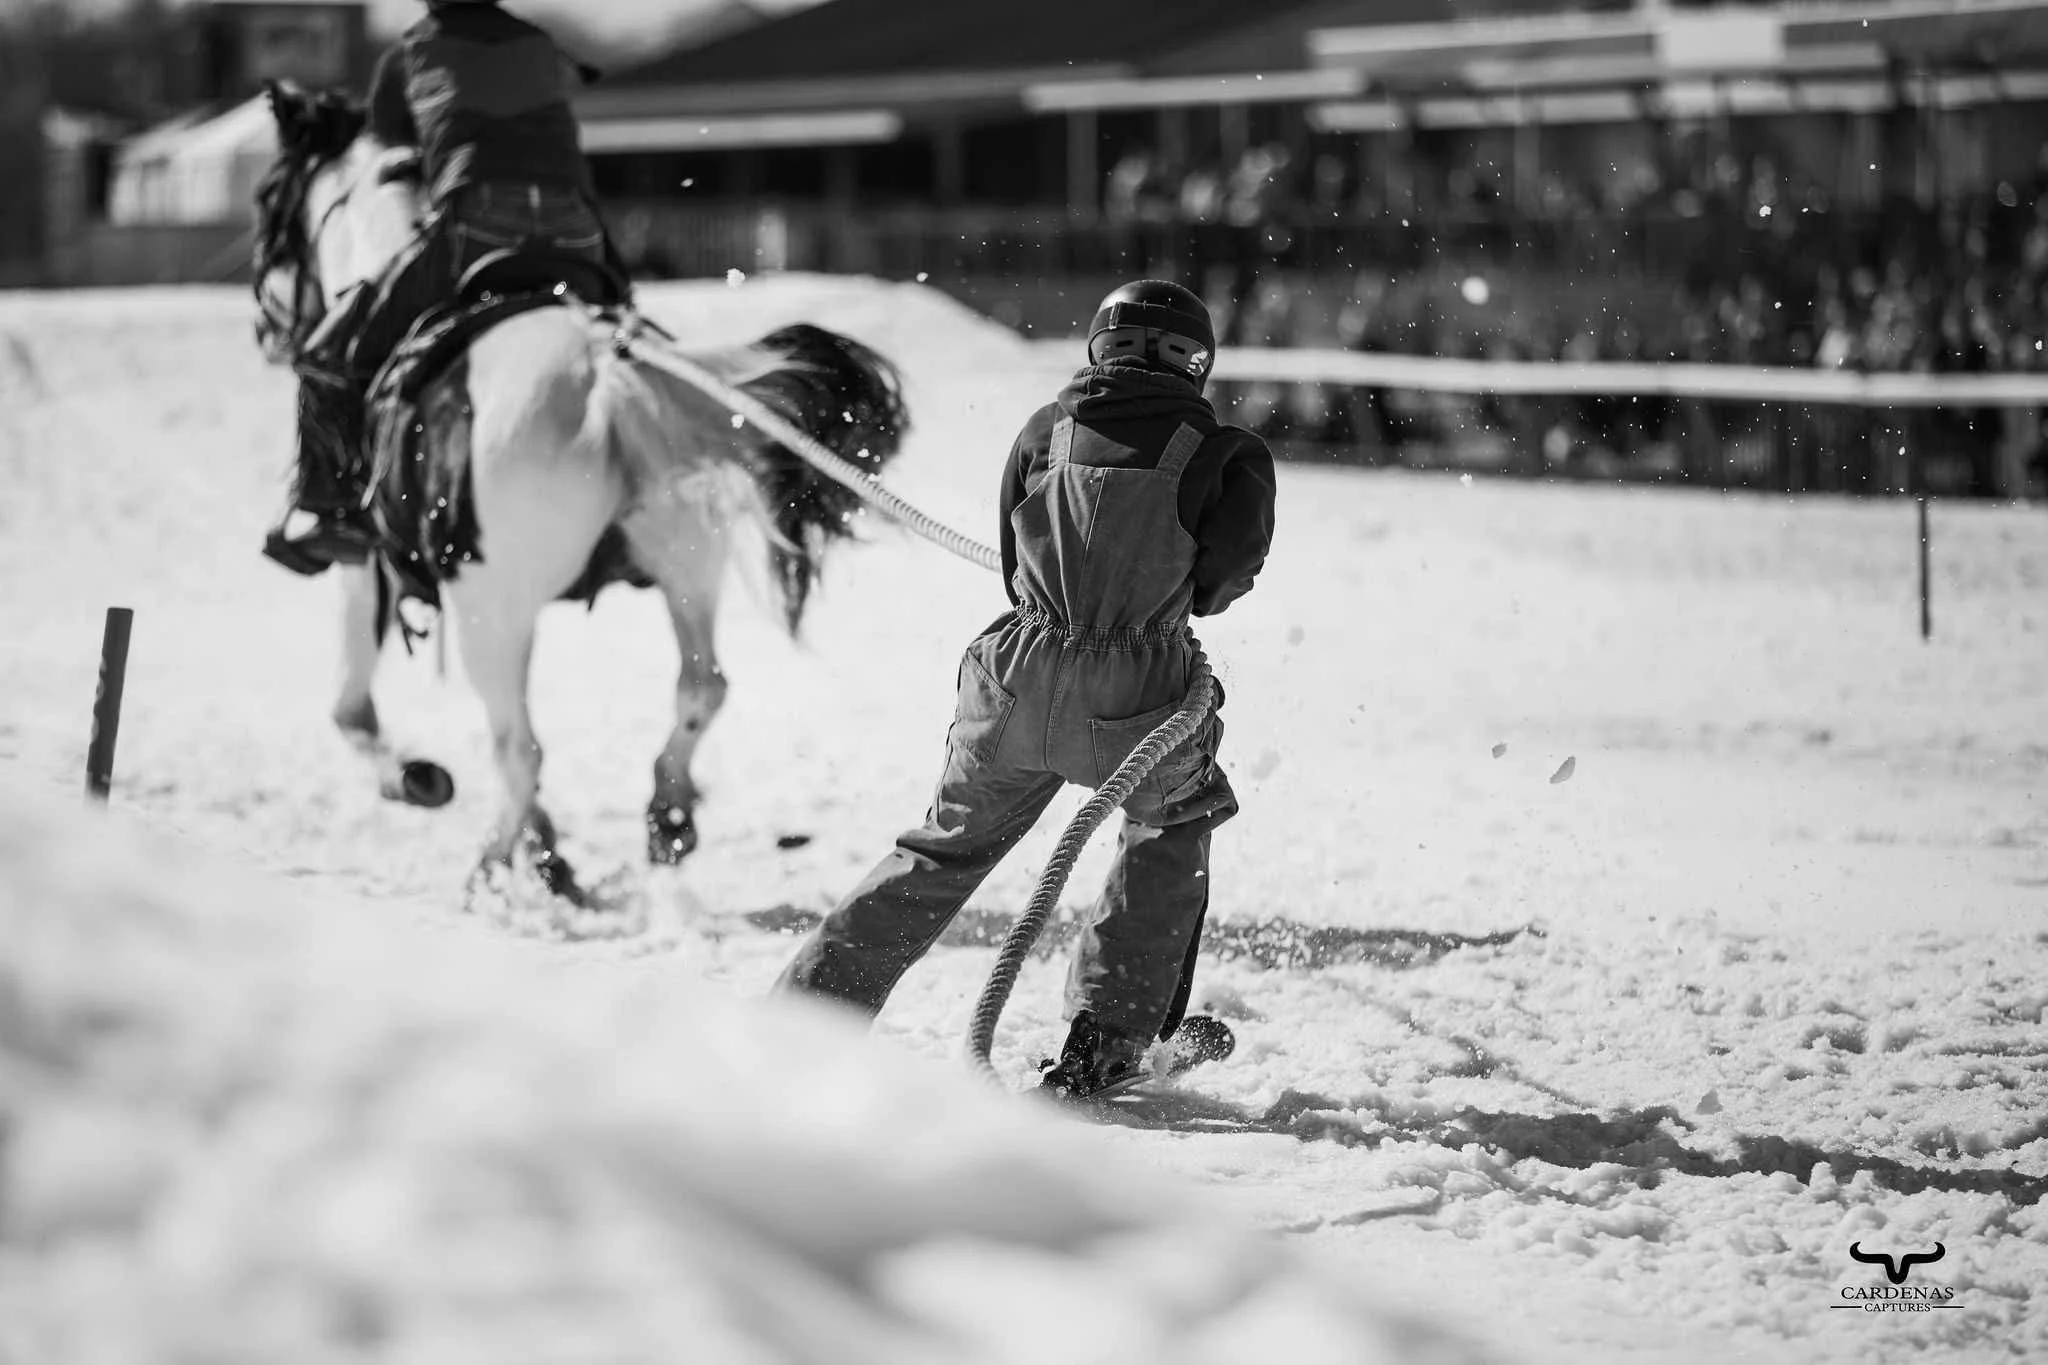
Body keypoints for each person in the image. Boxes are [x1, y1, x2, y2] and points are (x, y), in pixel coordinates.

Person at [775, 280, 1278, 1099]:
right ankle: (1109, 1035)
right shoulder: (1224, 452)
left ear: (1097, 349)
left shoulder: (1048, 427)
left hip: (1014, 680)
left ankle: (806, 1013)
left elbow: (1016, 567)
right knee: (1170, 828)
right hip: (1139, 696)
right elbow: (1222, 583)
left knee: (941, 851)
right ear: (1199, 362)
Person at [265, 0, 617, 576]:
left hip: (479, 235)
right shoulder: (539, 43)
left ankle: (340, 514)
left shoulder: (409, 54)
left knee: (330, 354)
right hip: (580, 237)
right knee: (624, 338)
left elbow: (386, 153)